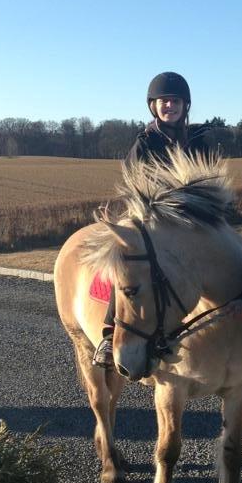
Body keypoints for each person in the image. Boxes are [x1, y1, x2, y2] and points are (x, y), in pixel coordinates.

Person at [92, 71, 210, 368]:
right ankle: (109, 332)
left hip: (193, 220)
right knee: (129, 265)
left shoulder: (199, 140)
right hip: (153, 221)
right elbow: (135, 189)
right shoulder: (143, 144)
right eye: (163, 101)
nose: (169, 106)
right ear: (153, 106)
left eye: (175, 101)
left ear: (185, 105)